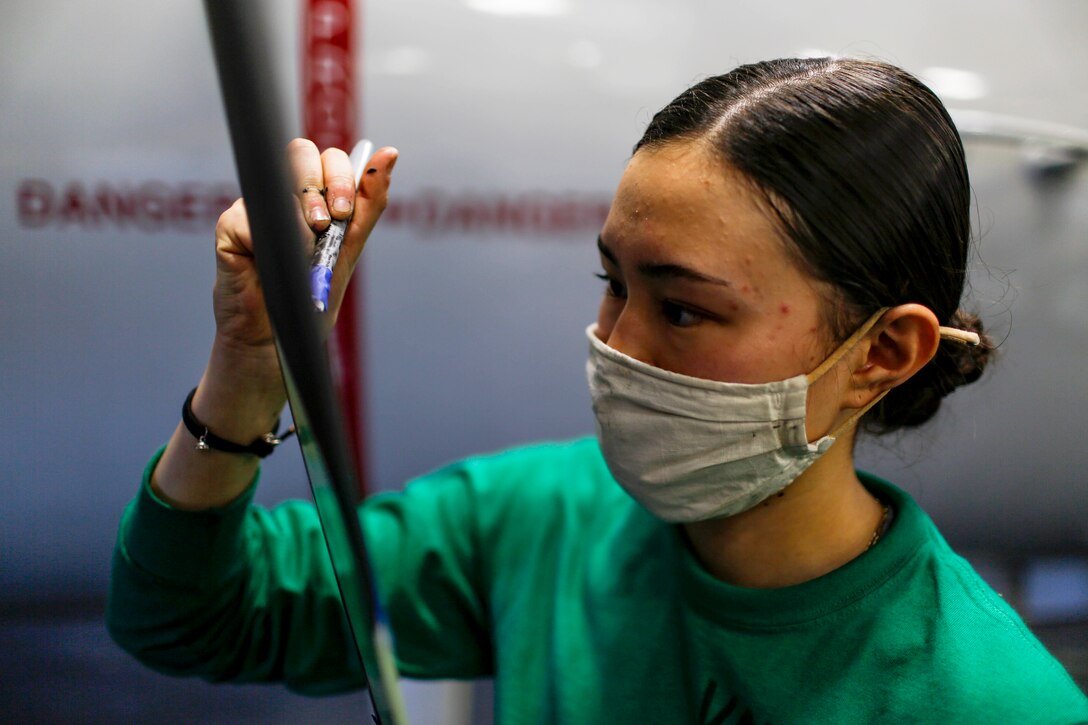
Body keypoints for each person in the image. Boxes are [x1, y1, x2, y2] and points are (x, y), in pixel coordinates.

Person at [108, 57, 1088, 723]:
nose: (613, 344)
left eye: (685, 309)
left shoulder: (986, 697)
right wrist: (247, 370)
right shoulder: (538, 521)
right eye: (611, 282)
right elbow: (187, 615)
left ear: (881, 353)